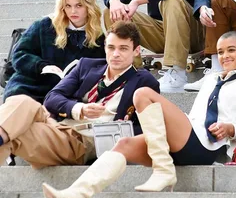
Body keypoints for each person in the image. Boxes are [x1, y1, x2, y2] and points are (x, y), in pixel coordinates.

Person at [42, 31, 236, 198]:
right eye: (220, 52)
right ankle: (77, 196)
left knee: (142, 94)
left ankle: (164, 170)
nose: (224, 56)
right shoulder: (210, 80)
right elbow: (195, 116)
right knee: (123, 145)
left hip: (209, 144)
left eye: (231, 50)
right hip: (186, 135)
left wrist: (232, 129)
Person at [0, 21, 159, 168]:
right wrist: (79, 108)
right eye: (111, 47)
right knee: (21, 101)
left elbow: (148, 128)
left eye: (123, 48)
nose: (115, 54)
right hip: (58, 125)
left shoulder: (144, 81)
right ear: (104, 47)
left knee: (13, 136)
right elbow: (51, 98)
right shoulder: (86, 66)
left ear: (136, 51)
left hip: (82, 142)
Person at [3, 0, 106, 104]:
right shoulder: (44, 26)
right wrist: (42, 66)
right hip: (31, 86)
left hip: (65, 94)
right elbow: (19, 54)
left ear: (89, 6)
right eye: (68, 6)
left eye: (79, 5)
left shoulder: (98, 38)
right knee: (18, 103)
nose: (73, 11)